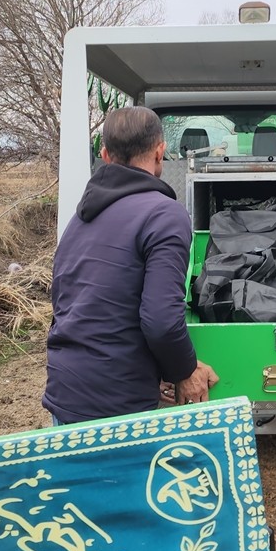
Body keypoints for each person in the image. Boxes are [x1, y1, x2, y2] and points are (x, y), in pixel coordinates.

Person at [43, 106, 218, 425]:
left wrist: (156, 372)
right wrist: (184, 371)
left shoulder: (81, 216)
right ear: (160, 151)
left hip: (64, 388)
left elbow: (68, 299)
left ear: (106, 155)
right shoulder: (165, 214)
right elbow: (161, 322)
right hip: (116, 403)